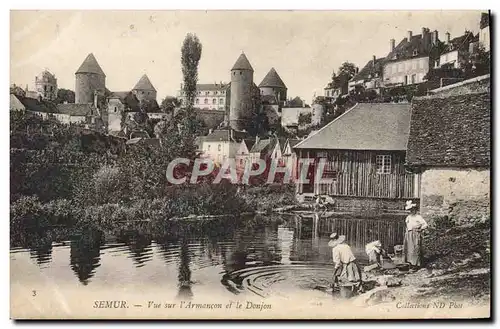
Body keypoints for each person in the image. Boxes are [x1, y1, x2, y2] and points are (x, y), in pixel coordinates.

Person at [403, 200, 428, 271]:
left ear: (415, 210)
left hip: (415, 234)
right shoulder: (408, 217)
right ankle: (410, 263)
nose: (411, 211)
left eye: (413, 210)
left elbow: (425, 225)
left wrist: (420, 229)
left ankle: (416, 265)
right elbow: (407, 225)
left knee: (415, 248)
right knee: (409, 249)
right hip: (409, 234)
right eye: (410, 210)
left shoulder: (418, 217)